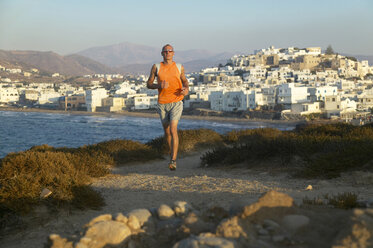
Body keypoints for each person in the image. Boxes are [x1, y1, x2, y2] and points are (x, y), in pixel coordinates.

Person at [146, 44, 189, 170]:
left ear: (173, 53)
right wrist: (158, 85)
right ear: (162, 53)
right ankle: (172, 153)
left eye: (170, 51)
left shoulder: (179, 67)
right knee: (167, 132)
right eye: (165, 51)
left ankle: (173, 160)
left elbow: (185, 81)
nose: (168, 53)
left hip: (176, 101)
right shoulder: (156, 67)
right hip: (162, 103)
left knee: (173, 129)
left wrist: (186, 89)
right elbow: (149, 84)